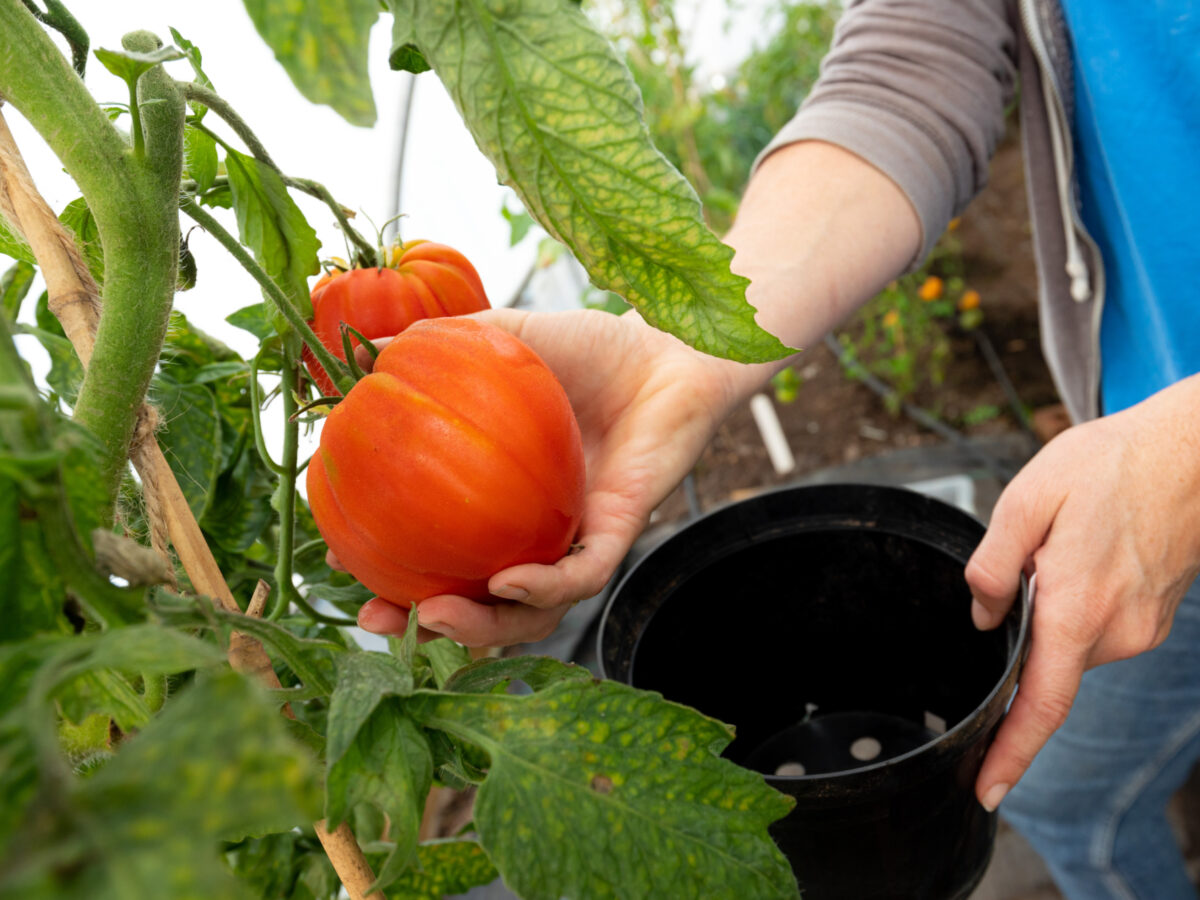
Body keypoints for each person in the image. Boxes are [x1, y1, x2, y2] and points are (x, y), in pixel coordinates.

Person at [355, 1, 1200, 895]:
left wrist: (1182, 456)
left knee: (1076, 787)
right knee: (1077, 789)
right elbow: (917, 59)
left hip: (1150, 483)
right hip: (1126, 488)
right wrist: (687, 349)